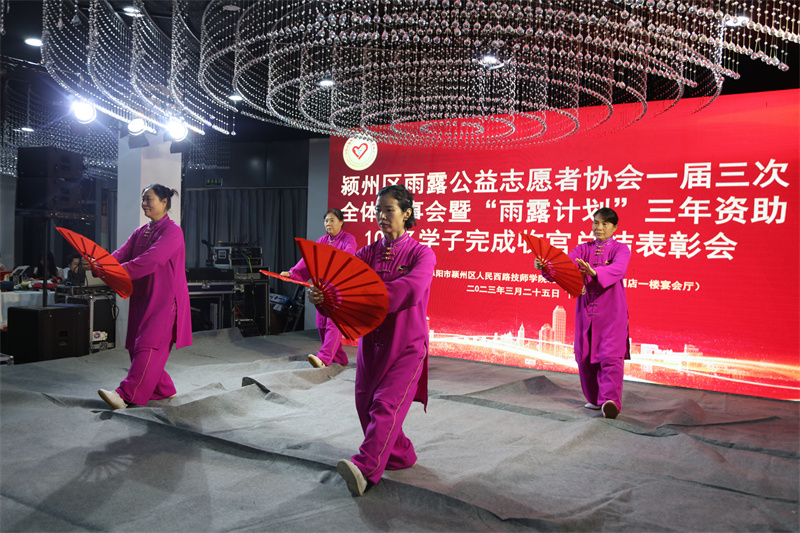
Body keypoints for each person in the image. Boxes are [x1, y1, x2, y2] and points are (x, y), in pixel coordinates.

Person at [309, 184, 436, 496]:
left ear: (407, 214)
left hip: (407, 345)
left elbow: (412, 290)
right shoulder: (366, 253)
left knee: (386, 404)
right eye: (378, 210)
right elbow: (343, 289)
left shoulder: (422, 254)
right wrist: (323, 297)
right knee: (365, 407)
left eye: (388, 210)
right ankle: (401, 451)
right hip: (371, 344)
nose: (381, 216)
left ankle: (365, 468)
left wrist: (371, 294)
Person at [97, 184, 192, 410]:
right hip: (142, 296)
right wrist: (100, 264)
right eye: (143, 199)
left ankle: (125, 395)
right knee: (135, 345)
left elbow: (152, 259)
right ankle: (163, 389)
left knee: (149, 345)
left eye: (149, 199)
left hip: (165, 300)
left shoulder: (173, 231)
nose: (144, 204)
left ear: (164, 202)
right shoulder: (140, 232)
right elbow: (119, 255)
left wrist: (116, 271)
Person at [535, 207, 630, 419]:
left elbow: (618, 270)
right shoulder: (582, 249)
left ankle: (610, 401)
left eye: (605, 223)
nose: (599, 227)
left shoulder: (621, 249)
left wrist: (595, 272)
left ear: (614, 227)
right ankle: (595, 399)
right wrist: (546, 268)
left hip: (612, 311)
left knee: (610, 355)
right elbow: (564, 266)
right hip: (586, 309)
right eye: (596, 223)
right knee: (584, 354)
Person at [280, 208, 357, 368]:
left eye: (332, 220)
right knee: (321, 323)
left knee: (332, 322)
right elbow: (309, 259)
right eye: (326, 220)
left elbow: (345, 259)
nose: (328, 224)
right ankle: (340, 360)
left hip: (338, 287)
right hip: (322, 287)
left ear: (341, 222)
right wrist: (293, 272)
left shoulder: (349, 240)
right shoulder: (322, 240)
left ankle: (324, 358)